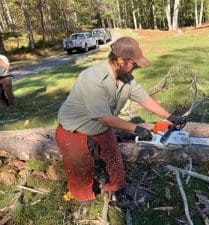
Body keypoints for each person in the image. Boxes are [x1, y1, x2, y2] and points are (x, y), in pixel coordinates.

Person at [55, 37, 179, 217]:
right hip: (73, 128)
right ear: (120, 61)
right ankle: (83, 198)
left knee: (114, 157)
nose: (136, 67)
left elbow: (145, 99)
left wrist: (171, 116)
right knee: (78, 166)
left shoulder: (126, 78)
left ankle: (116, 189)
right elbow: (104, 118)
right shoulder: (92, 78)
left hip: (100, 126)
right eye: (134, 64)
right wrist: (136, 129)